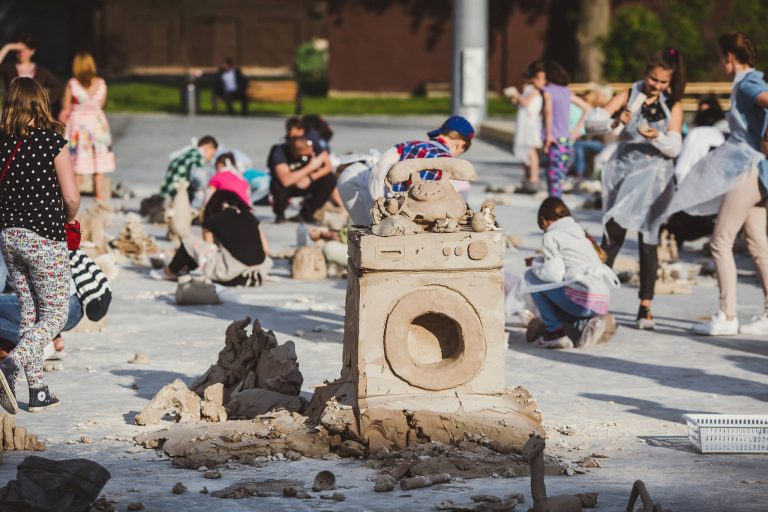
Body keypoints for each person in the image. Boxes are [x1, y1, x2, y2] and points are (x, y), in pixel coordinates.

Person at [663, 33, 768, 336]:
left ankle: (727, 314)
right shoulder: (750, 82)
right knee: (758, 245)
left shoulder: (748, 84)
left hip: (746, 170)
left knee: (720, 241)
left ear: (729, 57)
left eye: (722, 58)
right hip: (757, 172)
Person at [585, 48, 686, 330]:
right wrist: (616, 121)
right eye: (654, 79)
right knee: (612, 232)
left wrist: (657, 136)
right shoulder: (630, 94)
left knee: (647, 238)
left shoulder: (672, 103)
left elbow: (675, 146)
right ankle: (595, 299)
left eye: (664, 82)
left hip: (654, 176)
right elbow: (593, 122)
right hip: (624, 172)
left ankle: (645, 306)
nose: (657, 86)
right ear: (646, 73)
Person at [0, 77, 80, 414]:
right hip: (45, 238)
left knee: (29, 314)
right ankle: (10, 365)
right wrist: (69, 219)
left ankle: (38, 392)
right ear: (41, 103)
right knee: (56, 315)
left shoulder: (2, 142)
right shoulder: (52, 141)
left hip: (9, 236)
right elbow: (71, 196)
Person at [336, 116, 475, 226]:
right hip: (365, 187)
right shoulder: (450, 165)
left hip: (370, 187)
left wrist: (378, 203)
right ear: (460, 145)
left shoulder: (409, 145)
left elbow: (380, 166)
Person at [523, 197, 619, 349]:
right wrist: (540, 260)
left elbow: (554, 275)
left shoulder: (551, 235)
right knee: (561, 296)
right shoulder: (580, 232)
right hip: (601, 300)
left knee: (531, 277)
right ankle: (588, 324)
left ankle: (554, 332)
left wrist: (535, 264)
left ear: (544, 220)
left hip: (582, 299)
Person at [0, 247, 111, 359]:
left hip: (52, 309)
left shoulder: (6, 237)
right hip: (74, 308)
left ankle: (36, 344)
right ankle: (51, 339)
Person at [152, 190, 271, 286]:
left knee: (189, 242)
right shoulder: (251, 217)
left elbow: (208, 249)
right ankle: (181, 268)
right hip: (258, 274)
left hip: (231, 276)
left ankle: (169, 272)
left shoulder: (213, 220)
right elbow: (266, 249)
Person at [58, 52, 116, 202]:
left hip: (78, 125)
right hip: (97, 124)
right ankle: (99, 194)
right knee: (98, 161)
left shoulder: (72, 83)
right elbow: (101, 103)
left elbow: (66, 107)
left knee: (78, 162)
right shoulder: (101, 83)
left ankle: (74, 195)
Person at [541, 61, 592, 197]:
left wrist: (548, 136)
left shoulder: (548, 91)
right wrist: (576, 130)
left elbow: (548, 111)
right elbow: (587, 108)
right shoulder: (566, 92)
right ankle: (557, 206)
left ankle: (554, 210)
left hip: (554, 140)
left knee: (552, 180)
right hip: (566, 140)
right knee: (559, 179)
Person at [267, 134, 335, 223]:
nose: (310, 155)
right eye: (305, 156)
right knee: (277, 183)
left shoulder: (313, 147)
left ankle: (307, 212)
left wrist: (311, 177)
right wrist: (310, 167)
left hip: (307, 181)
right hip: (289, 185)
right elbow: (285, 181)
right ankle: (280, 213)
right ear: (296, 154)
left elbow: (328, 167)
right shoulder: (280, 152)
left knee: (329, 179)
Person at [506, 61, 544, 193]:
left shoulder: (534, 91)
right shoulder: (527, 90)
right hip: (524, 123)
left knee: (531, 151)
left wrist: (516, 94)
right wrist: (515, 98)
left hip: (531, 124)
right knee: (524, 151)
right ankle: (527, 177)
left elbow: (526, 103)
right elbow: (521, 103)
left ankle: (534, 178)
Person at [0, 34, 63, 111]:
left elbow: (58, 86)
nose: (22, 52)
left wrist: (46, 102)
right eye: (19, 50)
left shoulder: (41, 71)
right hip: (13, 114)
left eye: (25, 49)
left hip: (35, 115)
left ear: (32, 51)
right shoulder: (8, 68)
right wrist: (8, 47)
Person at [159, 135, 218, 199]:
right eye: (212, 155)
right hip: (174, 195)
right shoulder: (197, 158)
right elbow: (198, 181)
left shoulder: (189, 153)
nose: (211, 159)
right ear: (206, 148)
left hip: (165, 192)